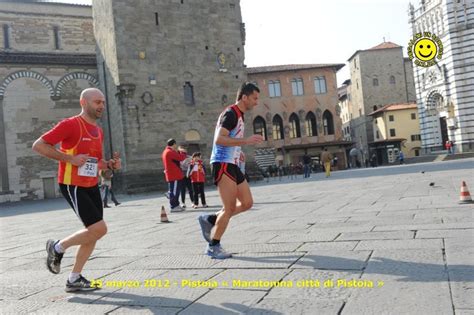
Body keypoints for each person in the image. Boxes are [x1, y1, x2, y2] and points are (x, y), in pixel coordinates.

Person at [32, 88, 121, 292]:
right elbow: (39, 145)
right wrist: (70, 159)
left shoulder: (98, 130)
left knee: (94, 232)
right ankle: (57, 247)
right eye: (97, 102)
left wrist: (109, 165)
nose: (101, 106)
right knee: (99, 229)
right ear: (84, 102)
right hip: (73, 184)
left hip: (91, 185)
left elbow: (96, 162)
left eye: (103, 102)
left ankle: (74, 278)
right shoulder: (70, 124)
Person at [197, 82, 263, 259]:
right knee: (230, 207)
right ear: (244, 97)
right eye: (255, 98)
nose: (256, 102)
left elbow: (230, 139)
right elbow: (220, 139)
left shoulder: (239, 115)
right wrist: (246, 142)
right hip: (222, 163)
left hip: (232, 163)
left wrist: (237, 152)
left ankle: (211, 219)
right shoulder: (231, 113)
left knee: (247, 203)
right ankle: (213, 246)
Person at [161, 139, 187, 212]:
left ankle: (176, 204)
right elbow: (180, 158)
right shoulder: (170, 152)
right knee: (175, 191)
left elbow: (175, 158)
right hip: (174, 174)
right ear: (174, 144)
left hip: (172, 174)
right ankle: (173, 205)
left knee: (176, 190)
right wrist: (183, 152)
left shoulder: (166, 151)